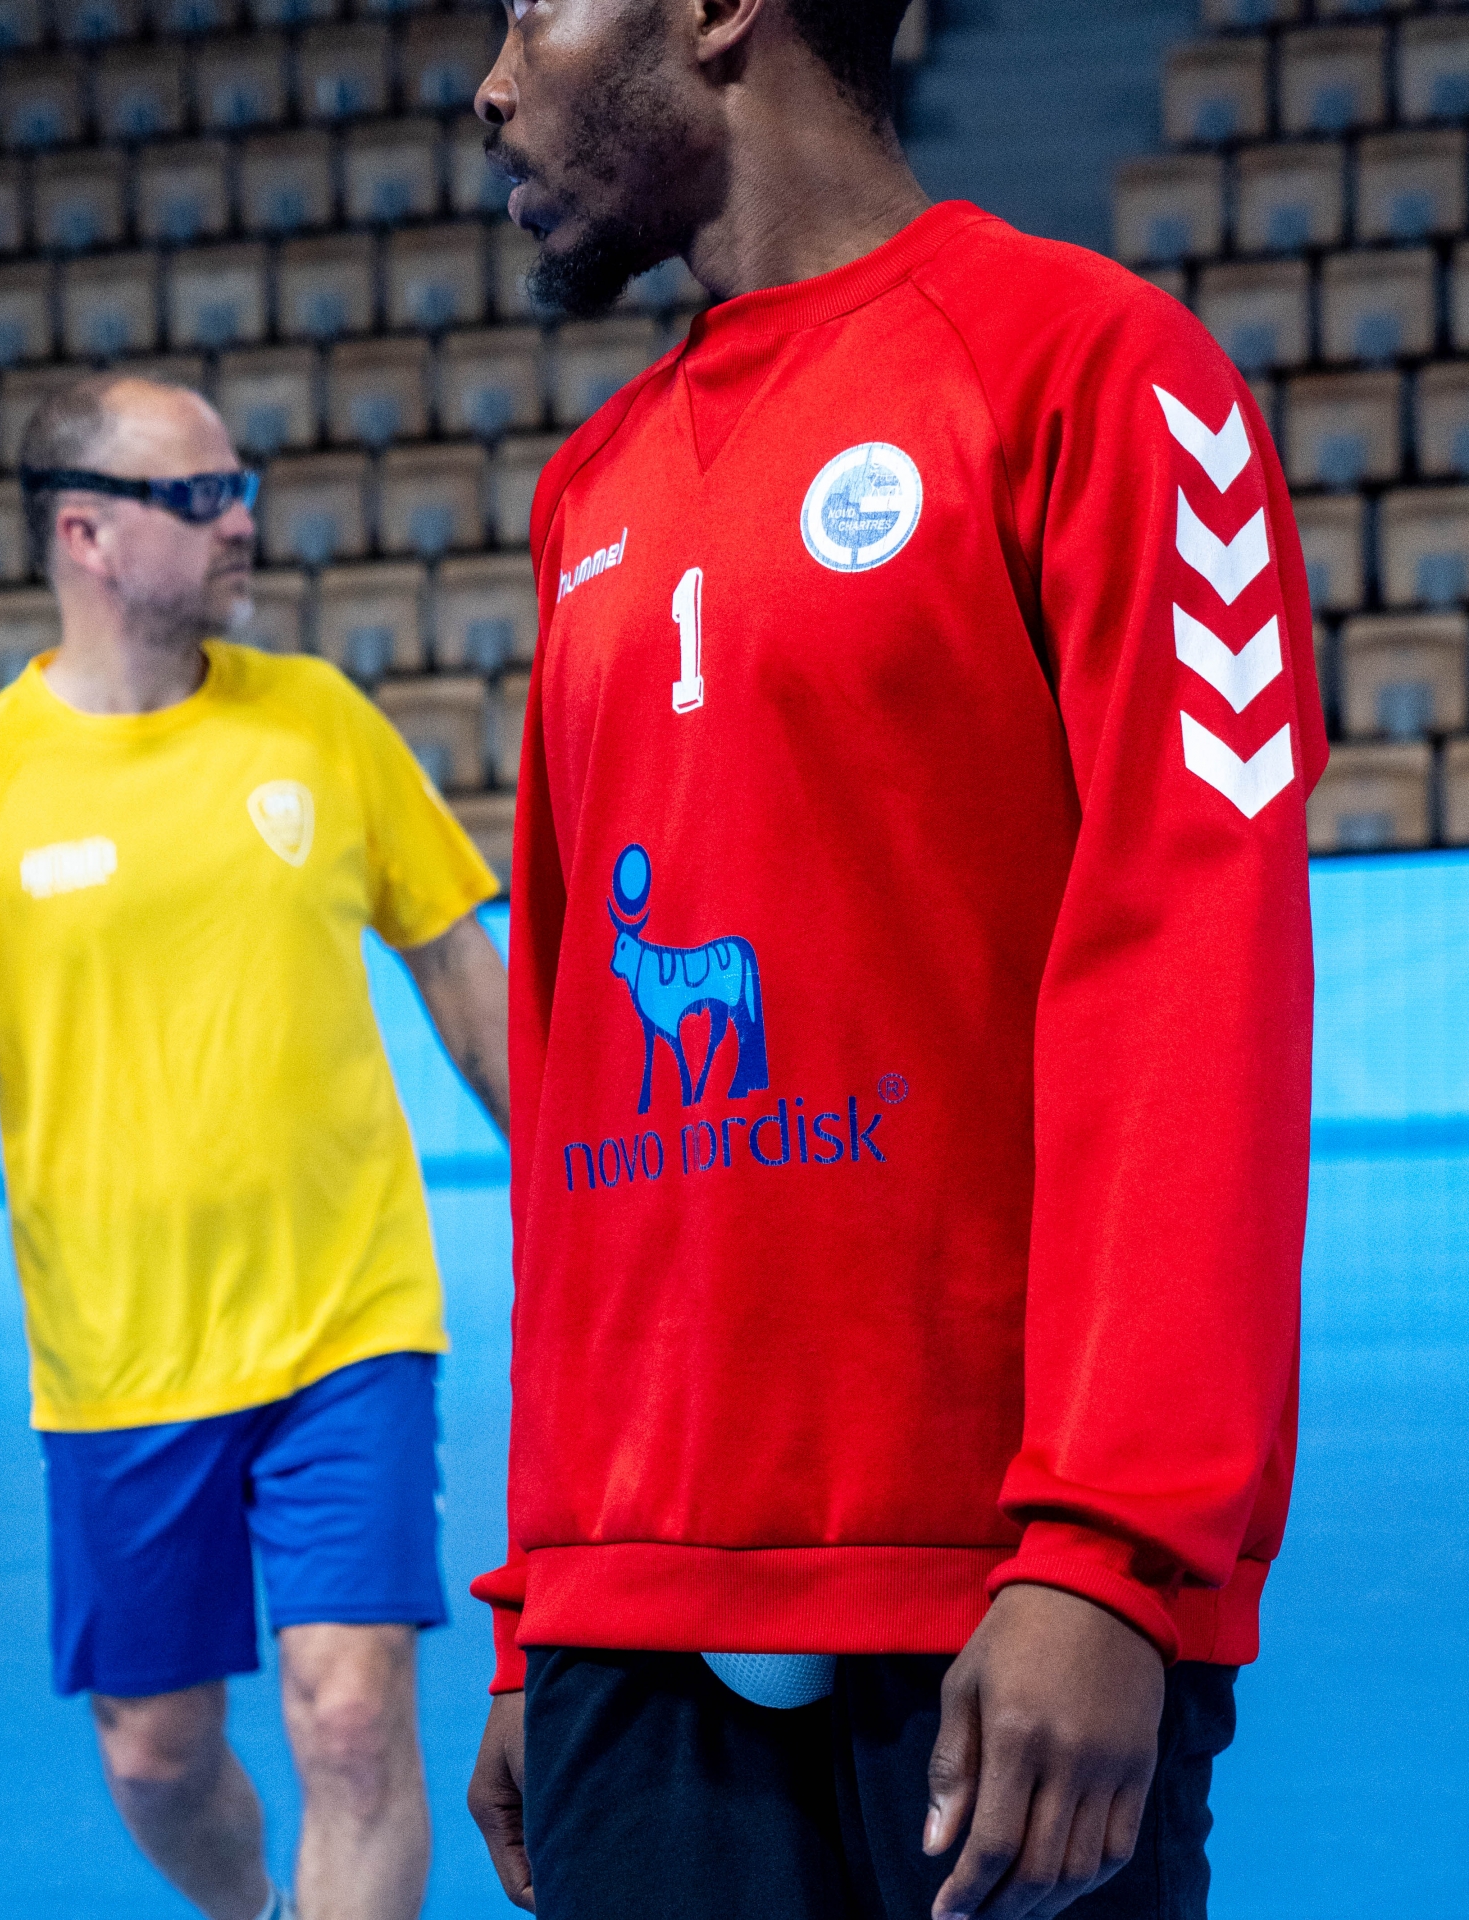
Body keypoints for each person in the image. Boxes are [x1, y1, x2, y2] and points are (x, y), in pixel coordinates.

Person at [463, 2, 1326, 1918]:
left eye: (536, 5)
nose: (494, 83)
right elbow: (576, 1064)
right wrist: (541, 1595)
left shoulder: (1103, 372)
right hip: (630, 1610)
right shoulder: (586, 491)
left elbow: (1200, 971)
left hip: (994, 1593)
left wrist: (1113, 1552)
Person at [0, 373, 510, 1920]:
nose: (241, 517)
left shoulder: (319, 719)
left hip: (348, 1327)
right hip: (117, 1367)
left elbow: (464, 974)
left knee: (352, 1724)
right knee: (156, 1758)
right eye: (199, 496)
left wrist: (597, 1208)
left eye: (237, 486)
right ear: (86, 533)